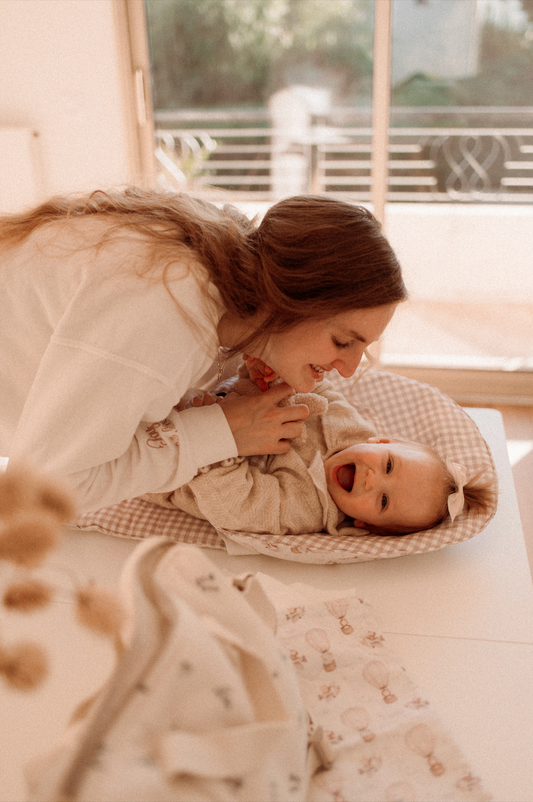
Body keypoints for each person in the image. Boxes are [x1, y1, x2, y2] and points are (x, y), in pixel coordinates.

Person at [0, 189, 405, 514]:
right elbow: (43, 492)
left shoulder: (219, 253)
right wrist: (219, 433)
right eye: (341, 341)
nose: (348, 369)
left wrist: (246, 355)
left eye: (362, 349)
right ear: (289, 301)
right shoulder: (163, 305)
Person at [144, 374, 496, 537]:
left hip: (169, 462)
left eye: (384, 501)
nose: (373, 480)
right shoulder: (349, 425)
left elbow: (237, 503)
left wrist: (220, 436)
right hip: (209, 394)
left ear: (365, 525)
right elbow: (316, 386)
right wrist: (277, 376)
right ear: (381, 440)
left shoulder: (307, 509)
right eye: (389, 465)